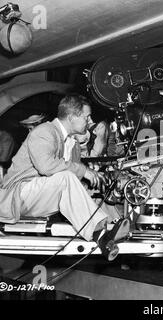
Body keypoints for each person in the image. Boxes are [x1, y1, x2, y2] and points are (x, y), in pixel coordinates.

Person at [0, 94, 130, 261]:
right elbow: (46, 167)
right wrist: (84, 171)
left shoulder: (73, 144)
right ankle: (99, 234)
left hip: (41, 199)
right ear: (71, 117)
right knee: (66, 178)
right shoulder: (44, 131)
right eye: (86, 117)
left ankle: (111, 228)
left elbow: (74, 186)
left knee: (92, 188)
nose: (90, 121)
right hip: (17, 196)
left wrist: (97, 181)